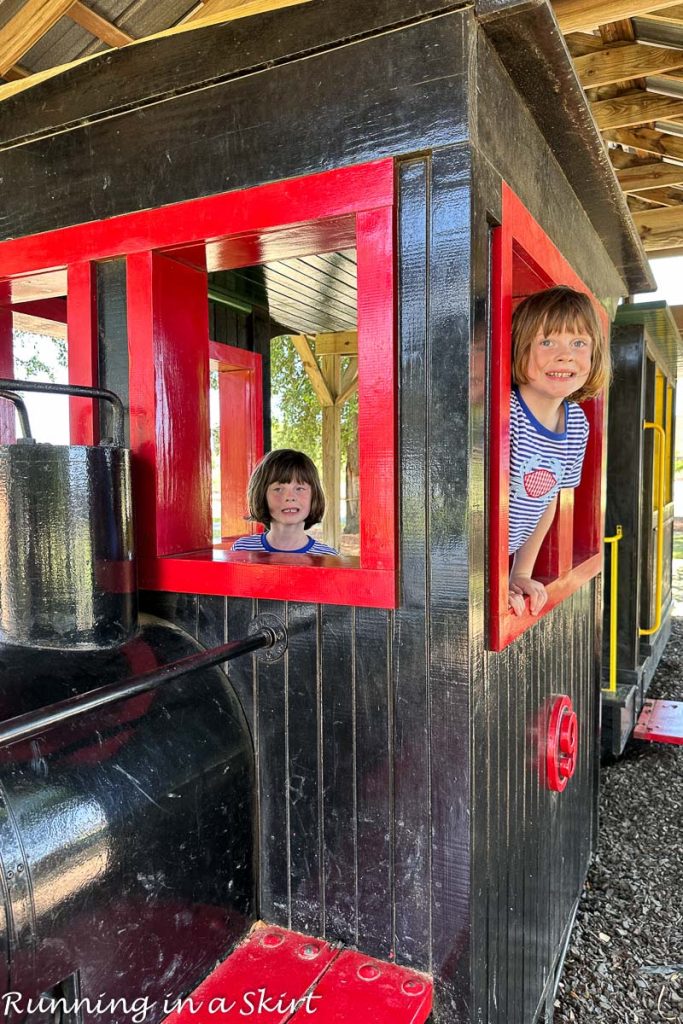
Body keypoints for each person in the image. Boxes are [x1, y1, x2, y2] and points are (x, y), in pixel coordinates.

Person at [508, 285, 609, 617]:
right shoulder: (505, 411)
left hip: (501, 561)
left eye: (579, 343)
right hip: (465, 564)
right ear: (519, 350)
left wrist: (520, 572)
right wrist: (489, 579)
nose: (565, 355)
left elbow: (547, 499)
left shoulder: (577, 423)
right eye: (547, 341)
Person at [231, 448, 339, 555]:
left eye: (299, 488)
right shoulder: (242, 550)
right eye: (278, 489)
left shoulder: (328, 557)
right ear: (261, 495)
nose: (290, 497)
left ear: (314, 495)